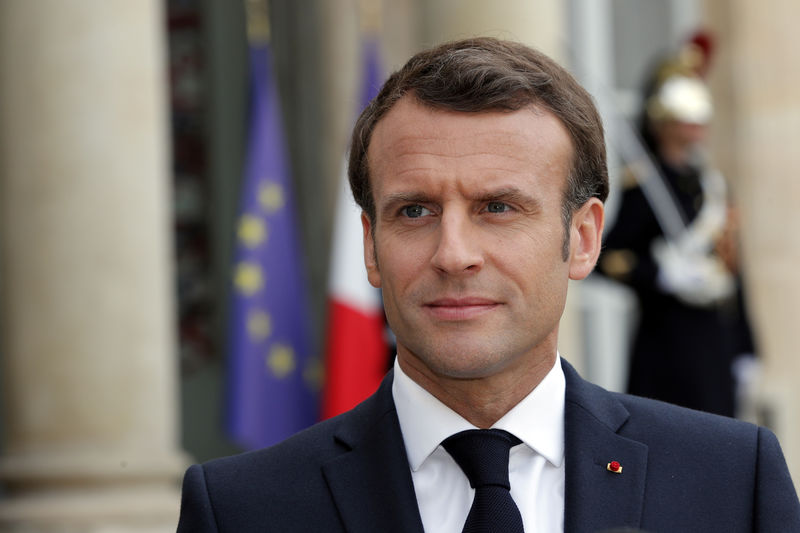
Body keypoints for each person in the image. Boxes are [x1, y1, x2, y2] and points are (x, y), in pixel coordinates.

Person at [177, 37, 800, 532]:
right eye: (415, 211)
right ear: (370, 246)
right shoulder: (242, 510)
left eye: (498, 208)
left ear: (582, 239)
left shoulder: (727, 483)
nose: (454, 255)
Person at [597, 33, 758, 417]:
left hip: (716, 341)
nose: (694, 126)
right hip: (666, 342)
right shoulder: (645, 185)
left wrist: (748, 346)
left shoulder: (712, 186)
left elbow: (734, 270)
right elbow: (607, 256)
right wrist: (662, 275)